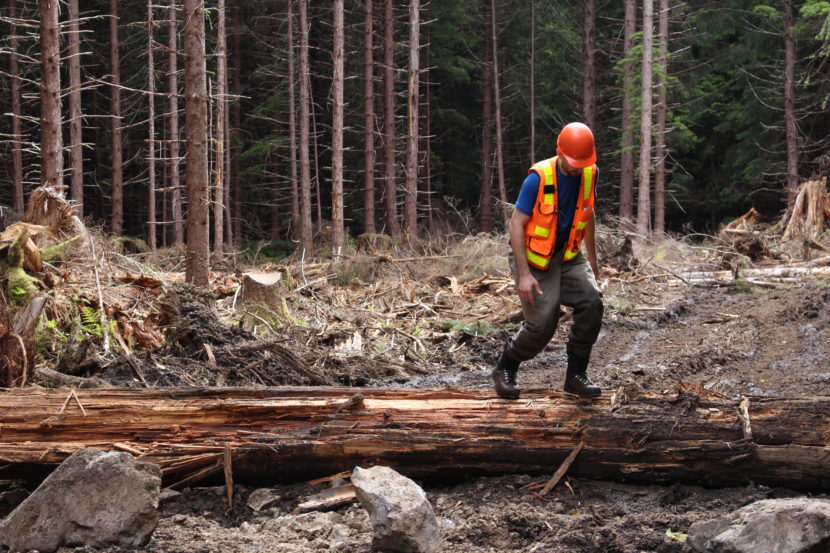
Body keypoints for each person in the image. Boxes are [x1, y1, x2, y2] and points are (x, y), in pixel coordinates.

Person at [492, 122, 604, 400]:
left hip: (568, 255)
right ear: (559, 152)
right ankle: (506, 366)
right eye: (573, 163)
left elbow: (588, 213)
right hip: (535, 260)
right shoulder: (538, 178)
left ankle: (576, 376)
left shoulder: (590, 173)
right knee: (543, 324)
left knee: (592, 301)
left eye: (582, 163)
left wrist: (592, 258)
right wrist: (524, 274)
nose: (577, 169)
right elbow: (516, 225)